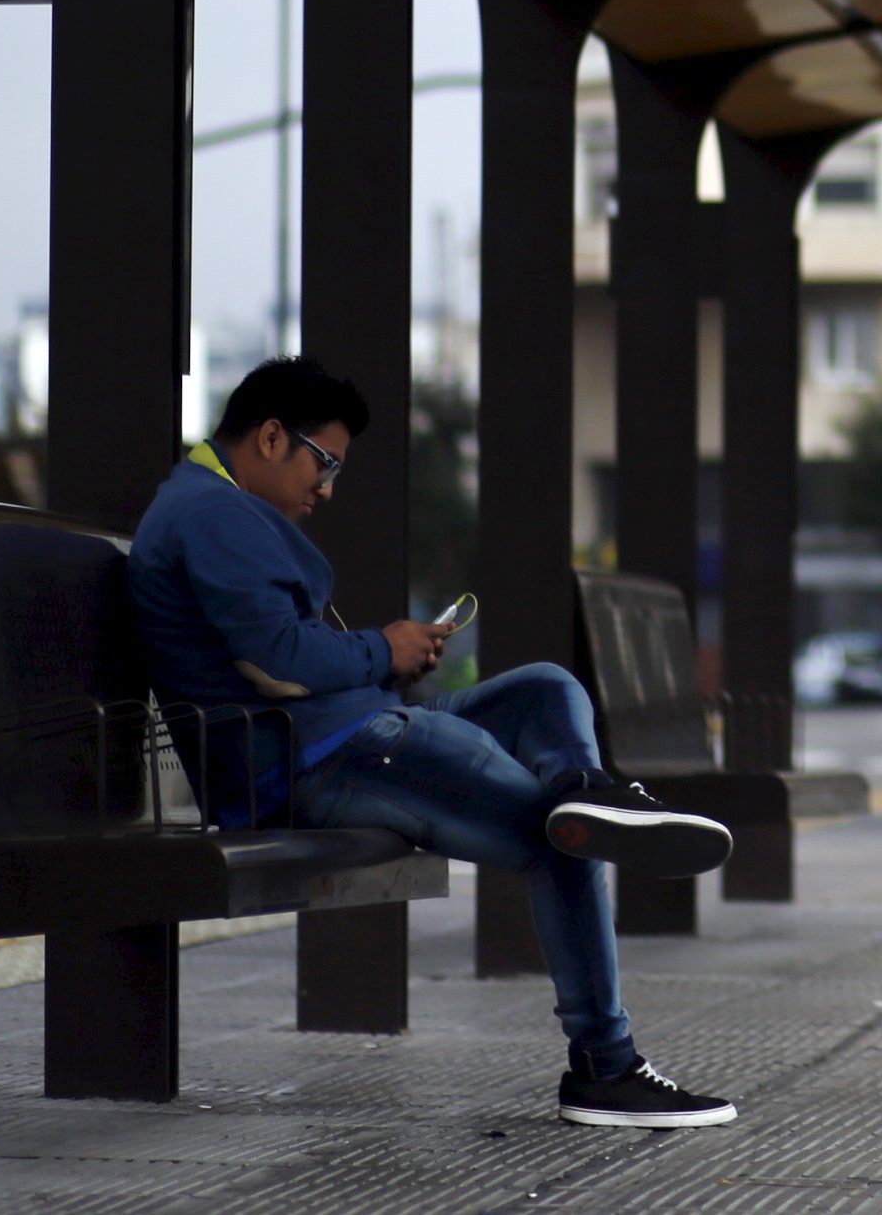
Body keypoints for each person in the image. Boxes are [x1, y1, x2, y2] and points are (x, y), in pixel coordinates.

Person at [129, 357, 740, 1128]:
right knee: (560, 844)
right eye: (325, 464)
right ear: (273, 436)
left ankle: (587, 788)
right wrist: (388, 647)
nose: (326, 489)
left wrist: (392, 657)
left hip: (356, 730)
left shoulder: (213, 508)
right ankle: (605, 1066)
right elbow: (278, 664)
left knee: (545, 687)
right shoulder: (211, 512)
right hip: (319, 756)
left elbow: (281, 652)